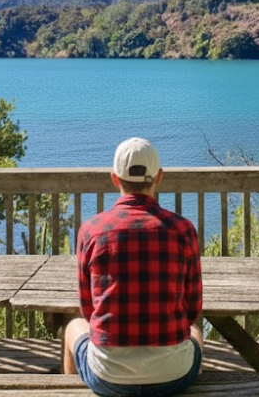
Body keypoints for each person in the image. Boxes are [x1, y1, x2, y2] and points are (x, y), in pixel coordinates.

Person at [62, 137, 203, 397]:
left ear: (114, 178)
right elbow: (192, 310)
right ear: (159, 177)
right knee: (194, 332)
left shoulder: (92, 231)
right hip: (173, 377)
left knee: (73, 328)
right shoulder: (182, 230)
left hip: (108, 377)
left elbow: (88, 310)